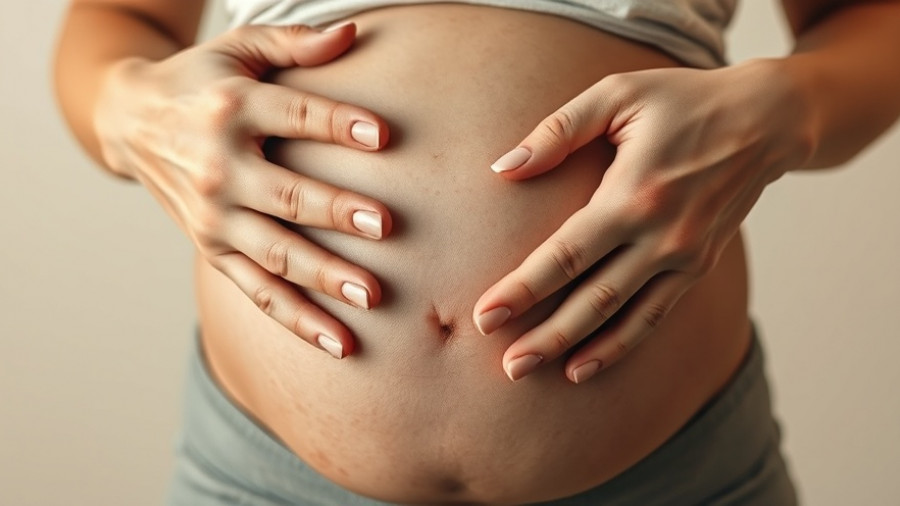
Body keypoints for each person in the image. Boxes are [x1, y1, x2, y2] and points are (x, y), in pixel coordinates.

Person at [53, 0, 900, 504]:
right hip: (268, 479)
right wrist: (129, 109)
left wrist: (787, 105)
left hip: (671, 476)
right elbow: (116, 20)